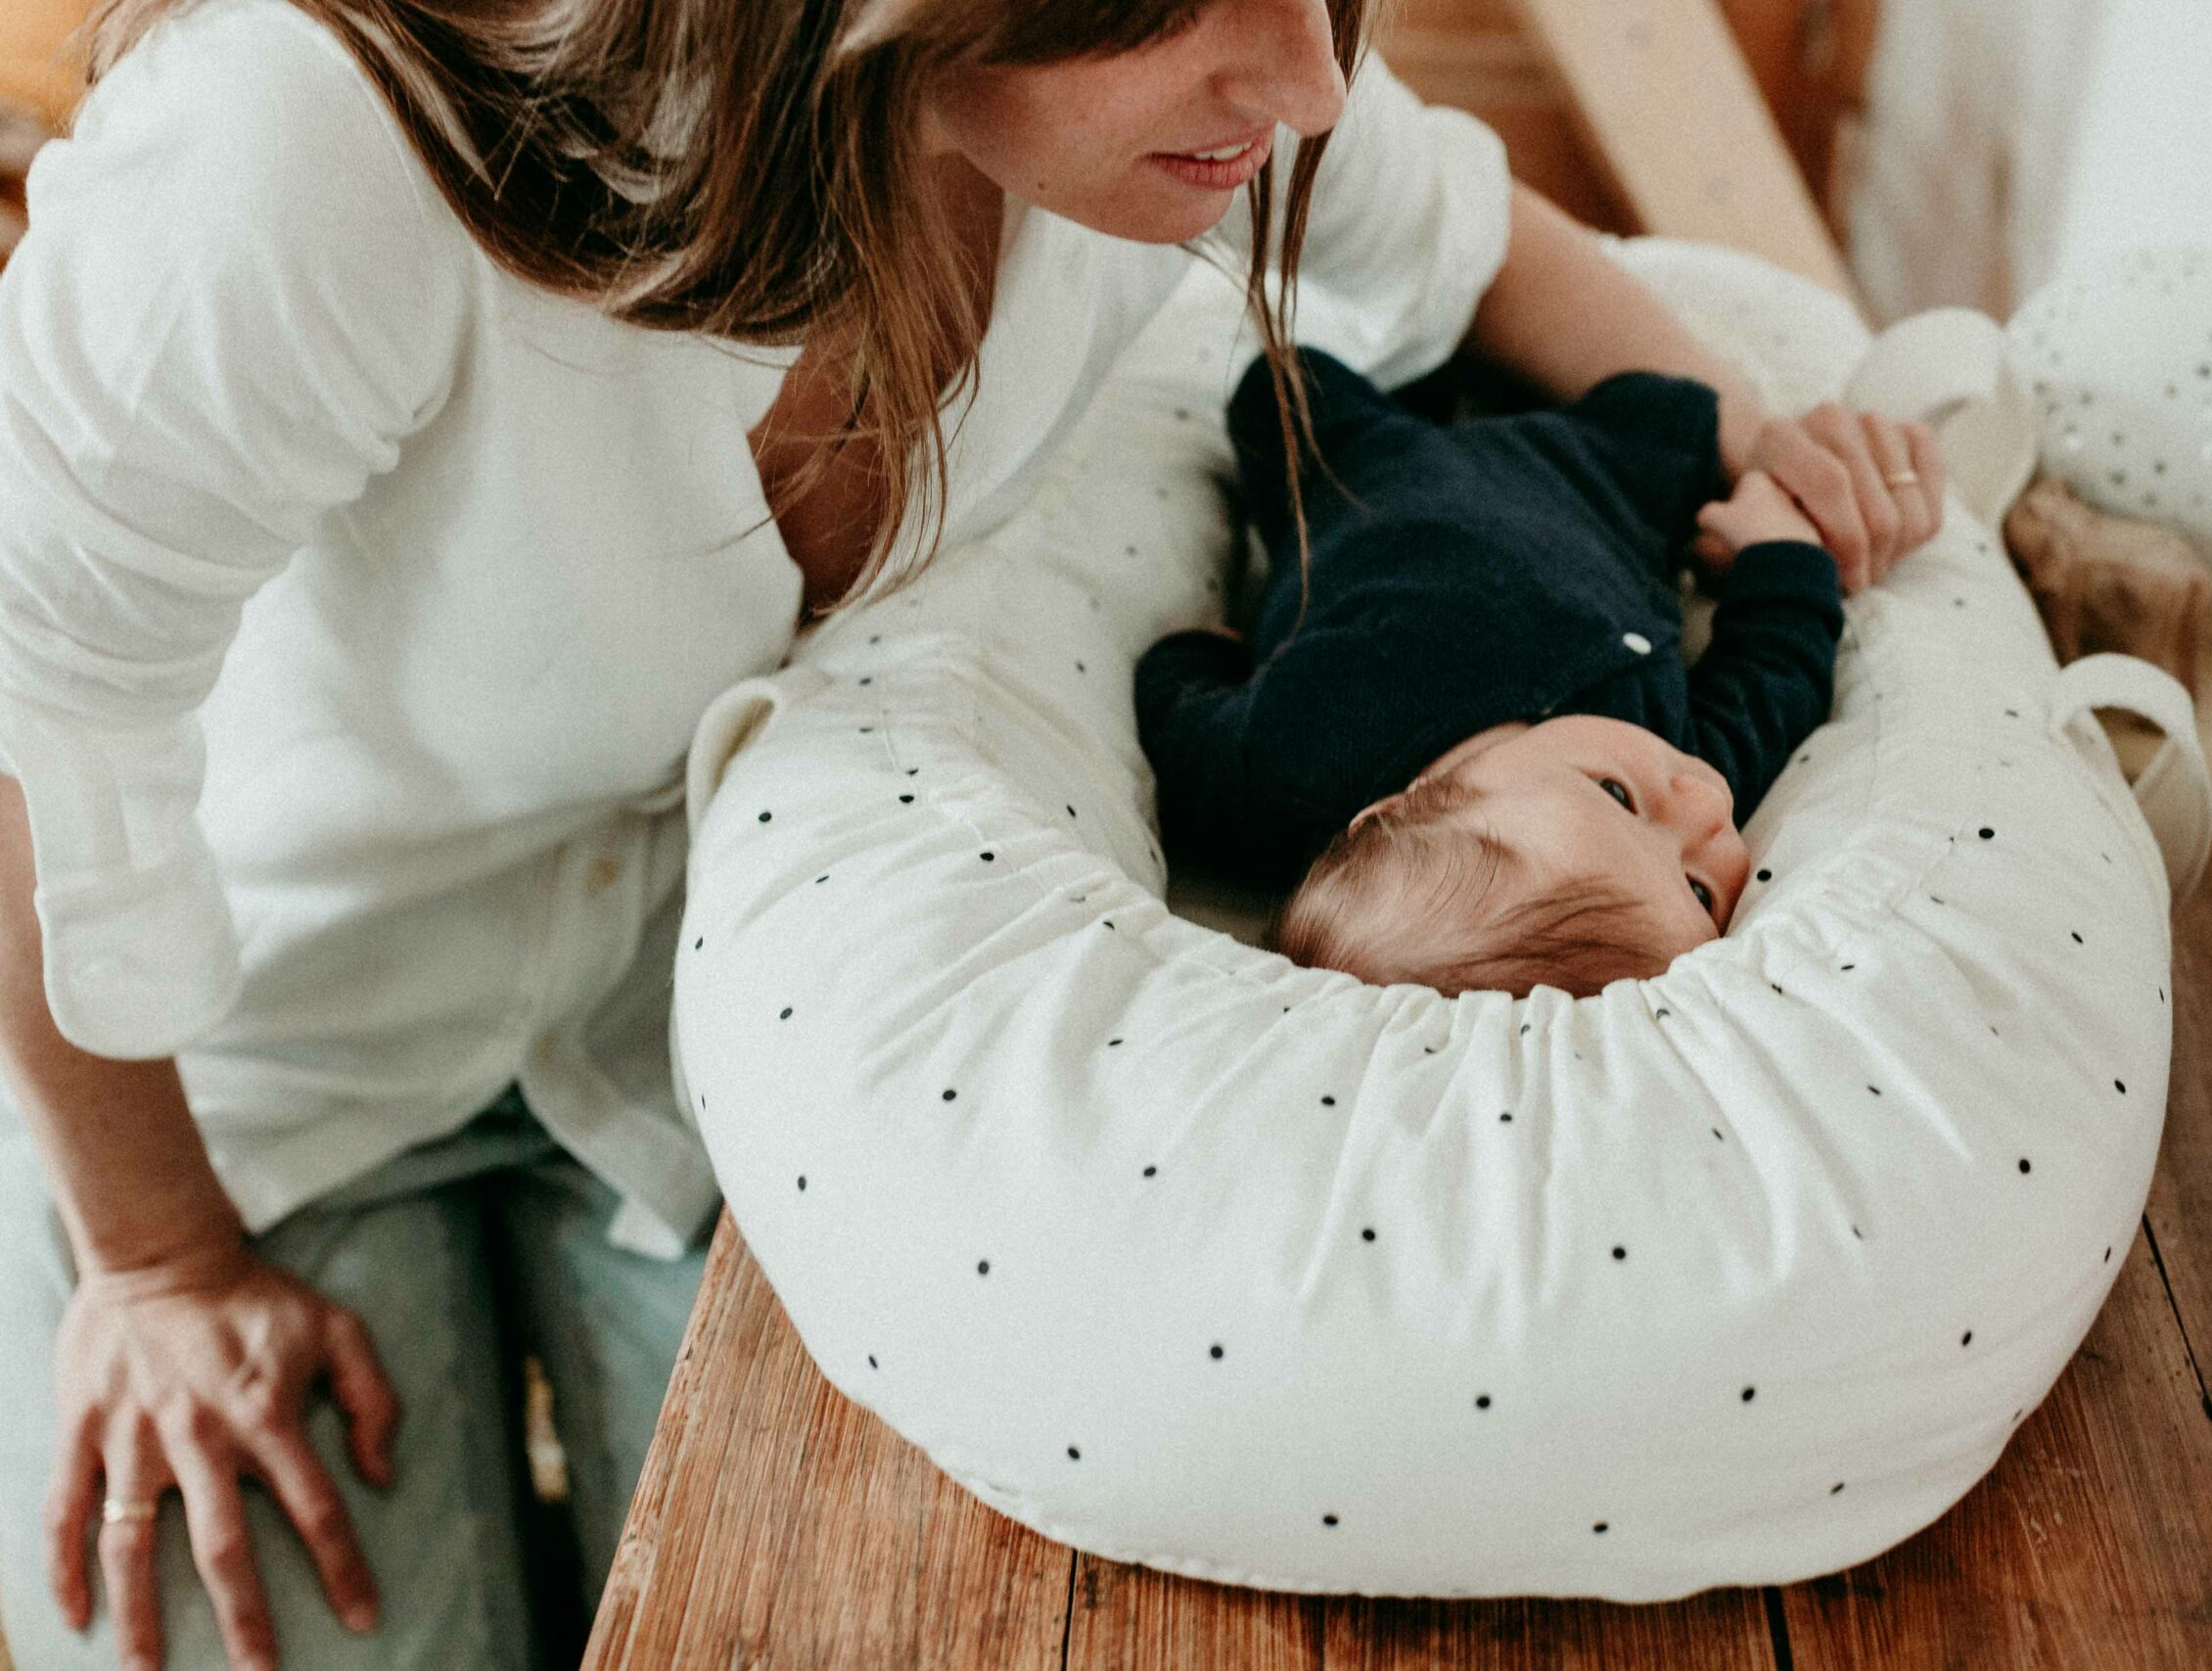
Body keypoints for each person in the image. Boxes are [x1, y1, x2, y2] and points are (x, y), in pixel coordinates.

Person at [0, 0, 1947, 1664]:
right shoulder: (314, 134)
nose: (1309, 80)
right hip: (232, 1068)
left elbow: (1456, 231)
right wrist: (153, 1259)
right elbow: (29, 695)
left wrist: (1761, 445)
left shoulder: (1192, 106)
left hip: (695, 1020)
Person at [1136, 347, 1885, 997]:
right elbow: (1776, 668)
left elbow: (1183, 728)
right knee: (1674, 415)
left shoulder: (1290, 763)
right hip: (1589, 480)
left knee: (1281, 389)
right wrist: (1778, 549)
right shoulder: (1676, 745)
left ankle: (1433, 360)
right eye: (1699, 890)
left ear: (1396, 807)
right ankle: (1460, 377)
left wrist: (1203, 652)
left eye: (1615, 793)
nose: (1703, 808)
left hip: (1365, 473)